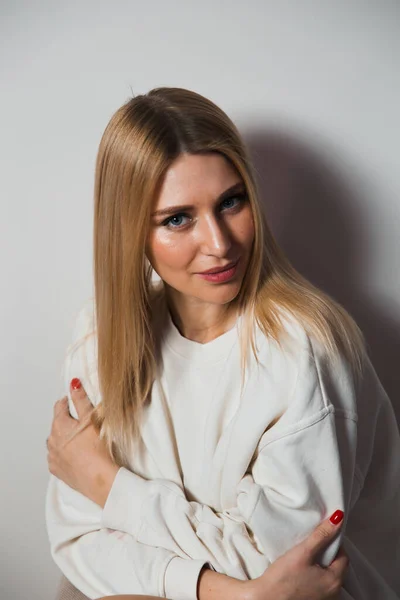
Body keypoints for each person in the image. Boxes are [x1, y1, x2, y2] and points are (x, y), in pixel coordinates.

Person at [45, 87, 400, 600]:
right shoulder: (100, 335)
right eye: (177, 218)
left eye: (231, 202)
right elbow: (78, 539)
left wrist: (106, 485)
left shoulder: (305, 355)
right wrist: (231, 594)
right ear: (129, 234)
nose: (219, 243)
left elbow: (288, 569)